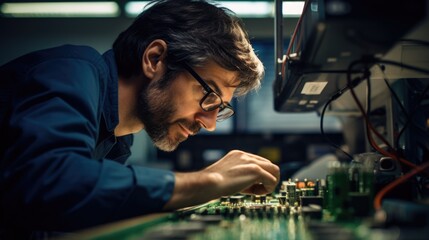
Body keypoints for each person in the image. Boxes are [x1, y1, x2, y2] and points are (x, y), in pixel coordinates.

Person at [0, 0, 280, 238]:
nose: (210, 123)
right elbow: (52, 182)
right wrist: (207, 181)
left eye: (219, 108)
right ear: (155, 59)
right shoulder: (70, 71)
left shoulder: (118, 140)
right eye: (208, 95)